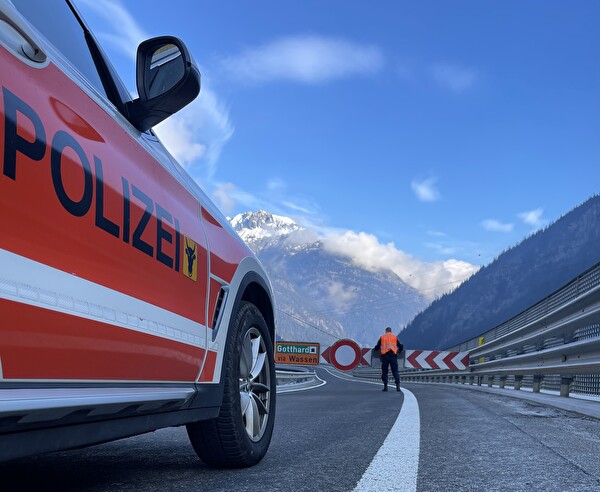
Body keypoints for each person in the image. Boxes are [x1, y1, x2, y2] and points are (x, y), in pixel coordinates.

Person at [374, 327, 404, 392]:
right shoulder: (395, 337)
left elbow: (377, 347)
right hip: (393, 356)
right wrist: (399, 352)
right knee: (395, 371)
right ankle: (398, 386)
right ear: (391, 331)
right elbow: (401, 346)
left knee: (385, 371)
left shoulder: (382, 337)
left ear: (386, 331)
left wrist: (375, 349)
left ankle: (385, 386)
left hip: (385, 356)